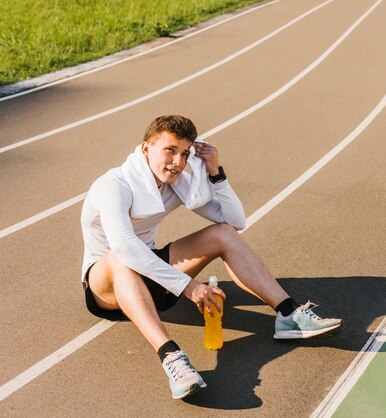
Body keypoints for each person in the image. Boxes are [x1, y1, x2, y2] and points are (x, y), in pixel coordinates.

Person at [80, 115, 342, 399]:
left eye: (185, 153)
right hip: (106, 288)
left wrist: (216, 173)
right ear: (146, 149)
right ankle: (172, 358)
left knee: (223, 233)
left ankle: (288, 314)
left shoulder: (175, 184)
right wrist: (188, 286)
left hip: (156, 279)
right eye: (170, 150)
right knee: (119, 258)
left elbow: (234, 220)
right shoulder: (113, 185)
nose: (178, 162)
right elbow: (123, 246)